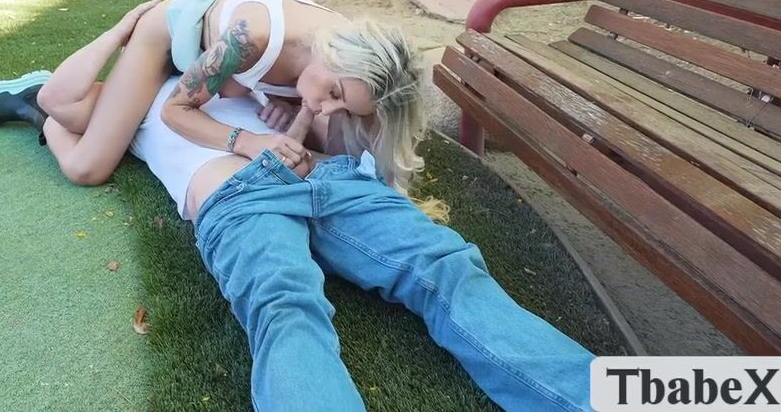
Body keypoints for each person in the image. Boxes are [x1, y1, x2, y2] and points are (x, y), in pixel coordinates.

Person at [126, 75, 596, 412]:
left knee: (447, 265)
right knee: (285, 307)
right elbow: (83, 144)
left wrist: (292, 112)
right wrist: (124, 35)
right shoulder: (134, 97)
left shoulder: (244, 76)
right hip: (237, 191)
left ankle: (625, 398)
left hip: (328, 173)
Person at [0, 0, 426, 192]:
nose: (324, 107)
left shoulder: (342, 61)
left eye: (341, 107)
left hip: (225, 70)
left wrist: (290, 108)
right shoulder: (252, 36)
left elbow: (336, 146)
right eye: (334, 95)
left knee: (92, 120)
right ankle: (35, 104)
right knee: (86, 166)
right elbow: (176, 112)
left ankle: (91, 103)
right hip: (169, 40)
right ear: (334, 54)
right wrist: (250, 141)